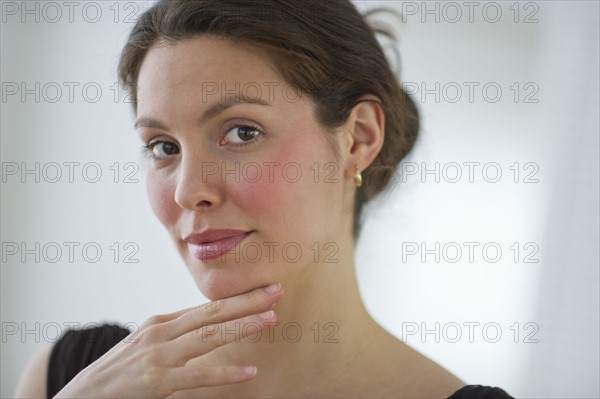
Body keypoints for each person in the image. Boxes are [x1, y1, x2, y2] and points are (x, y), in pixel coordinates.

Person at [15, 1, 514, 397]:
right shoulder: (68, 377)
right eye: (163, 147)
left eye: (241, 133)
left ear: (358, 139)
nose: (189, 191)